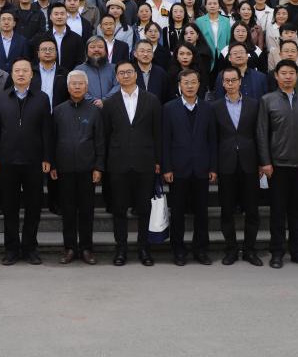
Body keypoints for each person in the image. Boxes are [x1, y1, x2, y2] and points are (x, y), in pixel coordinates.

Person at [0, 58, 53, 265]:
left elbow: (46, 130)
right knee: (10, 208)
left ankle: (30, 248)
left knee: (33, 208)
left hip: (34, 161)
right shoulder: (2, 98)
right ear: (12, 74)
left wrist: (47, 157)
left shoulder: (42, 98)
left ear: (31, 75)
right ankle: (11, 249)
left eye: (25, 70)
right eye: (17, 70)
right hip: (7, 161)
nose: (21, 74)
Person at [257, 59, 298, 269]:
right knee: (277, 212)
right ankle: (277, 252)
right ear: (276, 76)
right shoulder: (267, 100)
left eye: (291, 73)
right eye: (283, 73)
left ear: (297, 76)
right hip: (277, 165)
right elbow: (262, 133)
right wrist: (265, 162)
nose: (288, 76)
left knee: (296, 212)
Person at [102, 61, 162, 266]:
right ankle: (121, 249)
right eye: (121, 73)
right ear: (116, 77)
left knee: (144, 208)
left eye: (129, 72)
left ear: (136, 74)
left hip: (145, 162)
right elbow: (105, 135)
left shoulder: (151, 100)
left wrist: (158, 160)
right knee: (119, 209)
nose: (125, 75)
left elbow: (157, 133)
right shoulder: (110, 103)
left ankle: (144, 249)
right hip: (118, 164)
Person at [162, 69, 217, 267]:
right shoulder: (169, 108)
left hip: (201, 168)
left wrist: (213, 167)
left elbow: (212, 140)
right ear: (179, 85)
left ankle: (200, 249)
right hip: (178, 169)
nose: (190, 86)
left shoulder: (208, 108)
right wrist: (167, 167)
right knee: (177, 212)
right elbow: (165, 141)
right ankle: (178, 250)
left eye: (193, 82)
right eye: (186, 83)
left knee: (201, 212)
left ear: (199, 85)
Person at [51, 70, 105, 265]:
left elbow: (100, 141)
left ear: (86, 87)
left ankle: (86, 248)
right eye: (73, 83)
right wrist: (53, 164)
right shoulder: (58, 111)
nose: (77, 86)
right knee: (67, 211)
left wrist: (98, 167)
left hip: (87, 170)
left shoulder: (94, 111)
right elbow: (52, 139)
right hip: (64, 169)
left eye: (80, 83)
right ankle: (70, 248)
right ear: (68, 87)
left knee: (86, 211)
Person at [211, 67, 262, 266]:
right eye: (227, 81)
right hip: (226, 164)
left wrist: (262, 162)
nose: (230, 84)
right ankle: (231, 250)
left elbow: (259, 135)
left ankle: (250, 250)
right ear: (223, 83)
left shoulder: (254, 104)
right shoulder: (215, 107)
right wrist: (213, 166)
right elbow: (213, 139)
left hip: (249, 163)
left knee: (252, 210)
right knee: (227, 210)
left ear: (240, 81)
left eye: (234, 80)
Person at [34, 3, 84, 70]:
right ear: (50, 17)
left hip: (71, 75)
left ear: (67, 16)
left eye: (62, 14)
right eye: (56, 14)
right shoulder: (41, 38)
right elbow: (36, 59)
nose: (59, 17)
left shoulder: (76, 38)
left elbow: (80, 61)